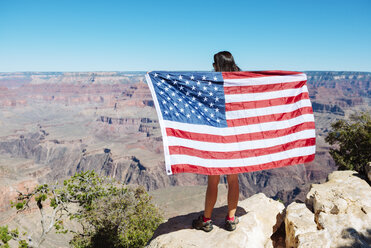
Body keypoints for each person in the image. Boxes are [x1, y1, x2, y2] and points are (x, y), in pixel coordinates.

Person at [192, 51, 241, 232]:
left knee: (213, 181)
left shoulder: (212, 84)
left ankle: (206, 220)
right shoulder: (241, 82)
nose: (212, 66)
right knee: (233, 180)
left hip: (217, 138)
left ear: (218, 65)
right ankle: (231, 219)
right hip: (236, 137)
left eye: (214, 63)